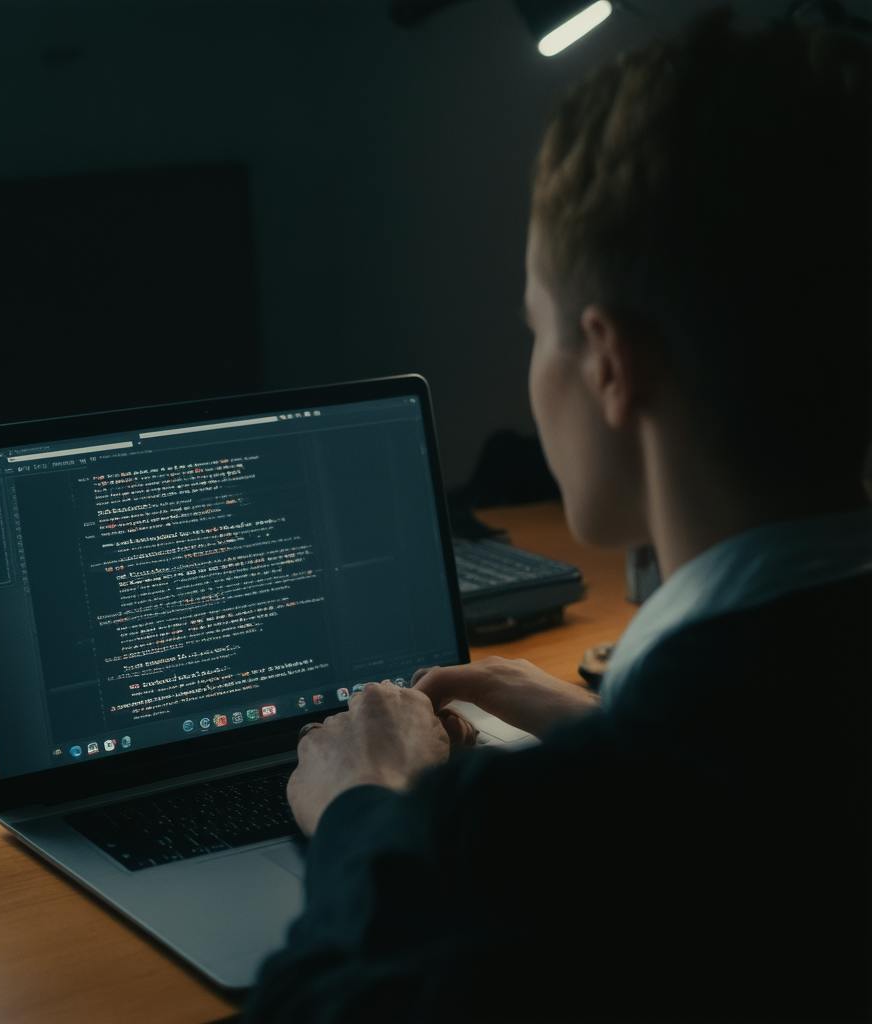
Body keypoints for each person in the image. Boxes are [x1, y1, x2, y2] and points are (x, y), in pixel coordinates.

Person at [243, 9, 871, 1022]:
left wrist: (368, 805)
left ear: (610, 363)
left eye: (536, 329)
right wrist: (619, 727)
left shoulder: (547, 837)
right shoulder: (756, 737)